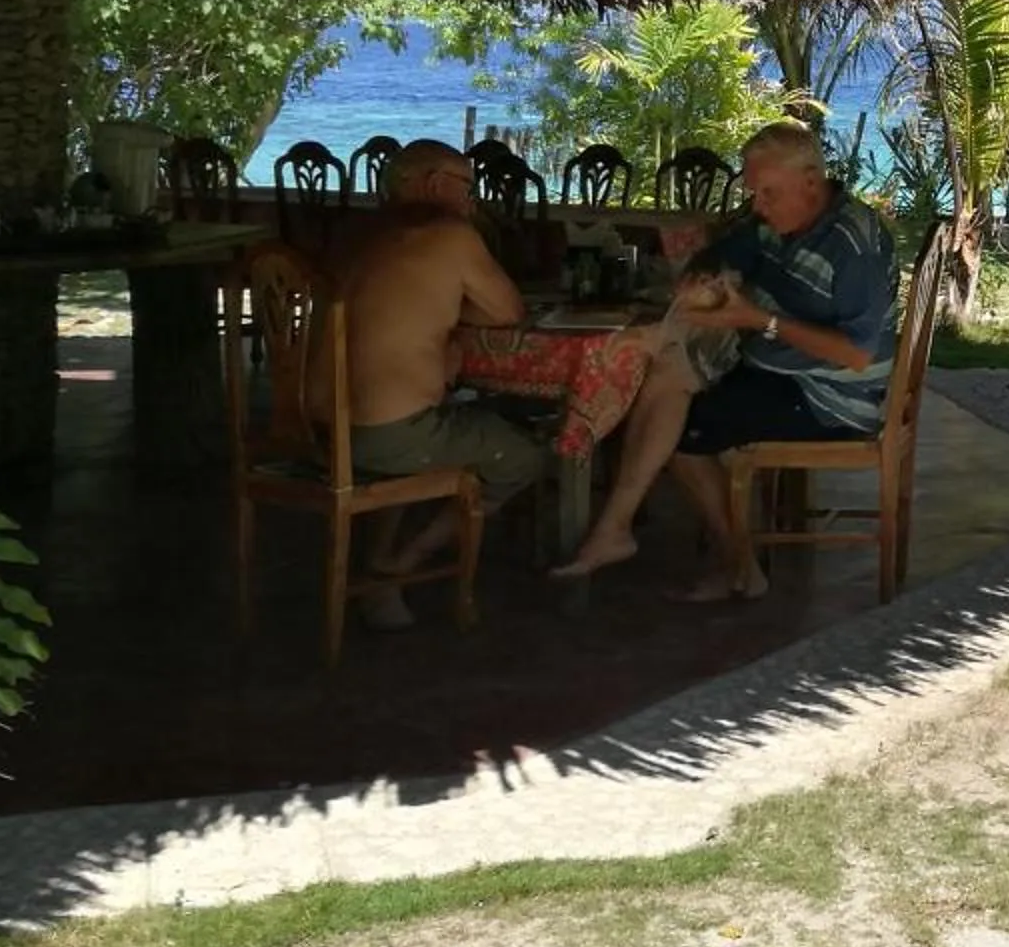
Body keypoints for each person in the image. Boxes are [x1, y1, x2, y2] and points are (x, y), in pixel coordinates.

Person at [553, 123, 896, 599]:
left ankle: (735, 562)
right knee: (666, 378)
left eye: (768, 194)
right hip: (776, 366)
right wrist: (701, 277)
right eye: (755, 193)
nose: (759, 205)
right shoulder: (781, 221)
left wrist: (756, 319)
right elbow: (728, 248)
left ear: (811, 184)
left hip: (832, 396)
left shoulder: (852, 245)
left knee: (685, 431)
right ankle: (617, 527)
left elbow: (856, 354)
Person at [331, 137, 543, 619]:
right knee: (525, 455)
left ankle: (378, 555)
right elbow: (509, 311)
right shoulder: (449, 236)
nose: (473, 200)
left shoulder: (350, 233)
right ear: (432, 184)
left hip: (319, 433)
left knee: (435, 421)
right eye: (466, 186)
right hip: (387, 438)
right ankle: (394, 571)